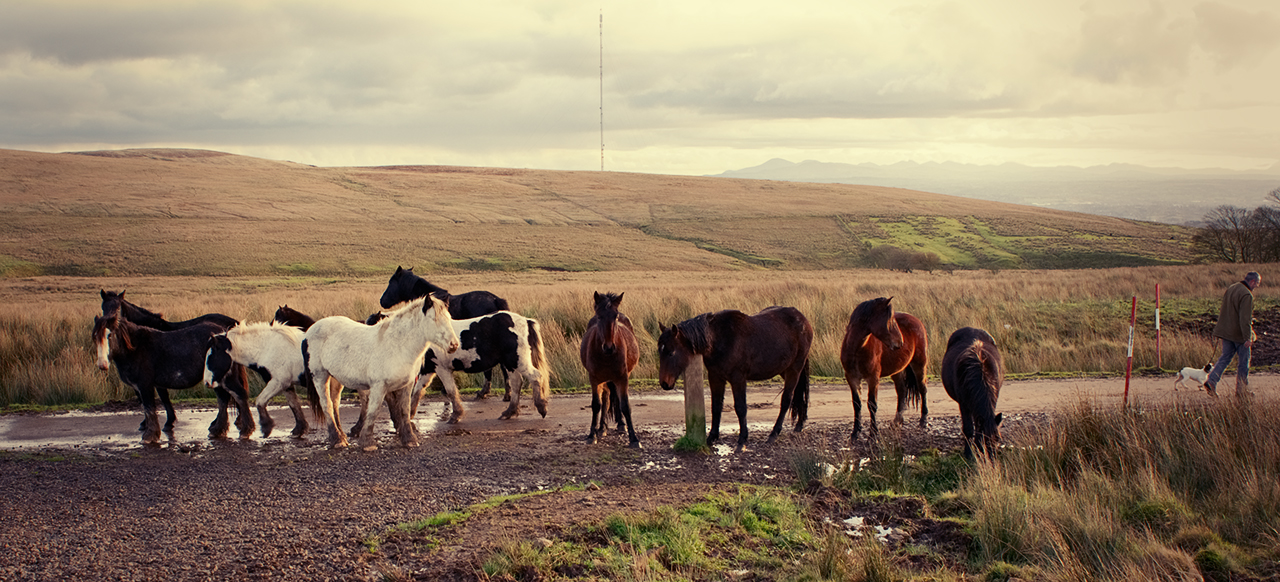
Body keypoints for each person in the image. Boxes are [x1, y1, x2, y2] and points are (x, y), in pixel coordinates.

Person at [1204, 271, 1261, 397]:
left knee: (1225, 357)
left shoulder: (1232, 288)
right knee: (1243, 362)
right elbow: (1245, 319)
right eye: (1257, 283)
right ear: (1252, 281)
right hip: (1238, 334)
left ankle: (1211, 381)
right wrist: (1247, 337)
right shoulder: (1247, 295)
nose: (1257, 286)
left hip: (1226, 331)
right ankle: (1242, 391)